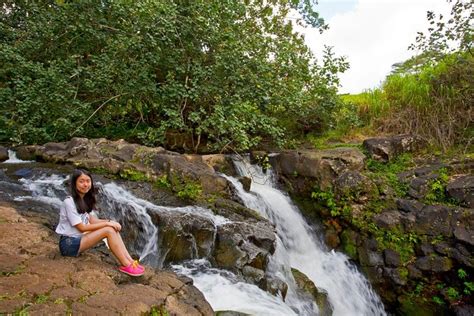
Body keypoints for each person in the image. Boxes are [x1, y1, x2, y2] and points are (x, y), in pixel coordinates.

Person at [55, 169, 145, 277]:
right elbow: (82, 228)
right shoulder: (69, 202)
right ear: (74, 184)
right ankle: (125, 265)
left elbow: (92, 220)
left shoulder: (84, 200)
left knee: (112, 229)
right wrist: (108, 224)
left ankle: (130, 261)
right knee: (108, 230)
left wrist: (110, 222)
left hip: (78, 240)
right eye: (81, 181)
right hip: (68, 244)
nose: (85, 184)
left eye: (88, 181)